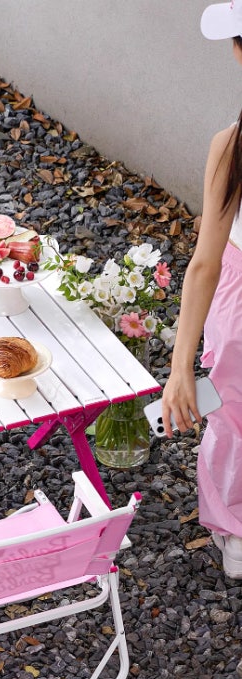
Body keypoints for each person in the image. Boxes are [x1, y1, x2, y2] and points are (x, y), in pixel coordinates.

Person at [162, 2, 242, 579]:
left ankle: (236, 528)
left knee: (232, 417)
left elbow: (204, 264)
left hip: (237, 303)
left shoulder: (232, 144)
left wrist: (180, 366)